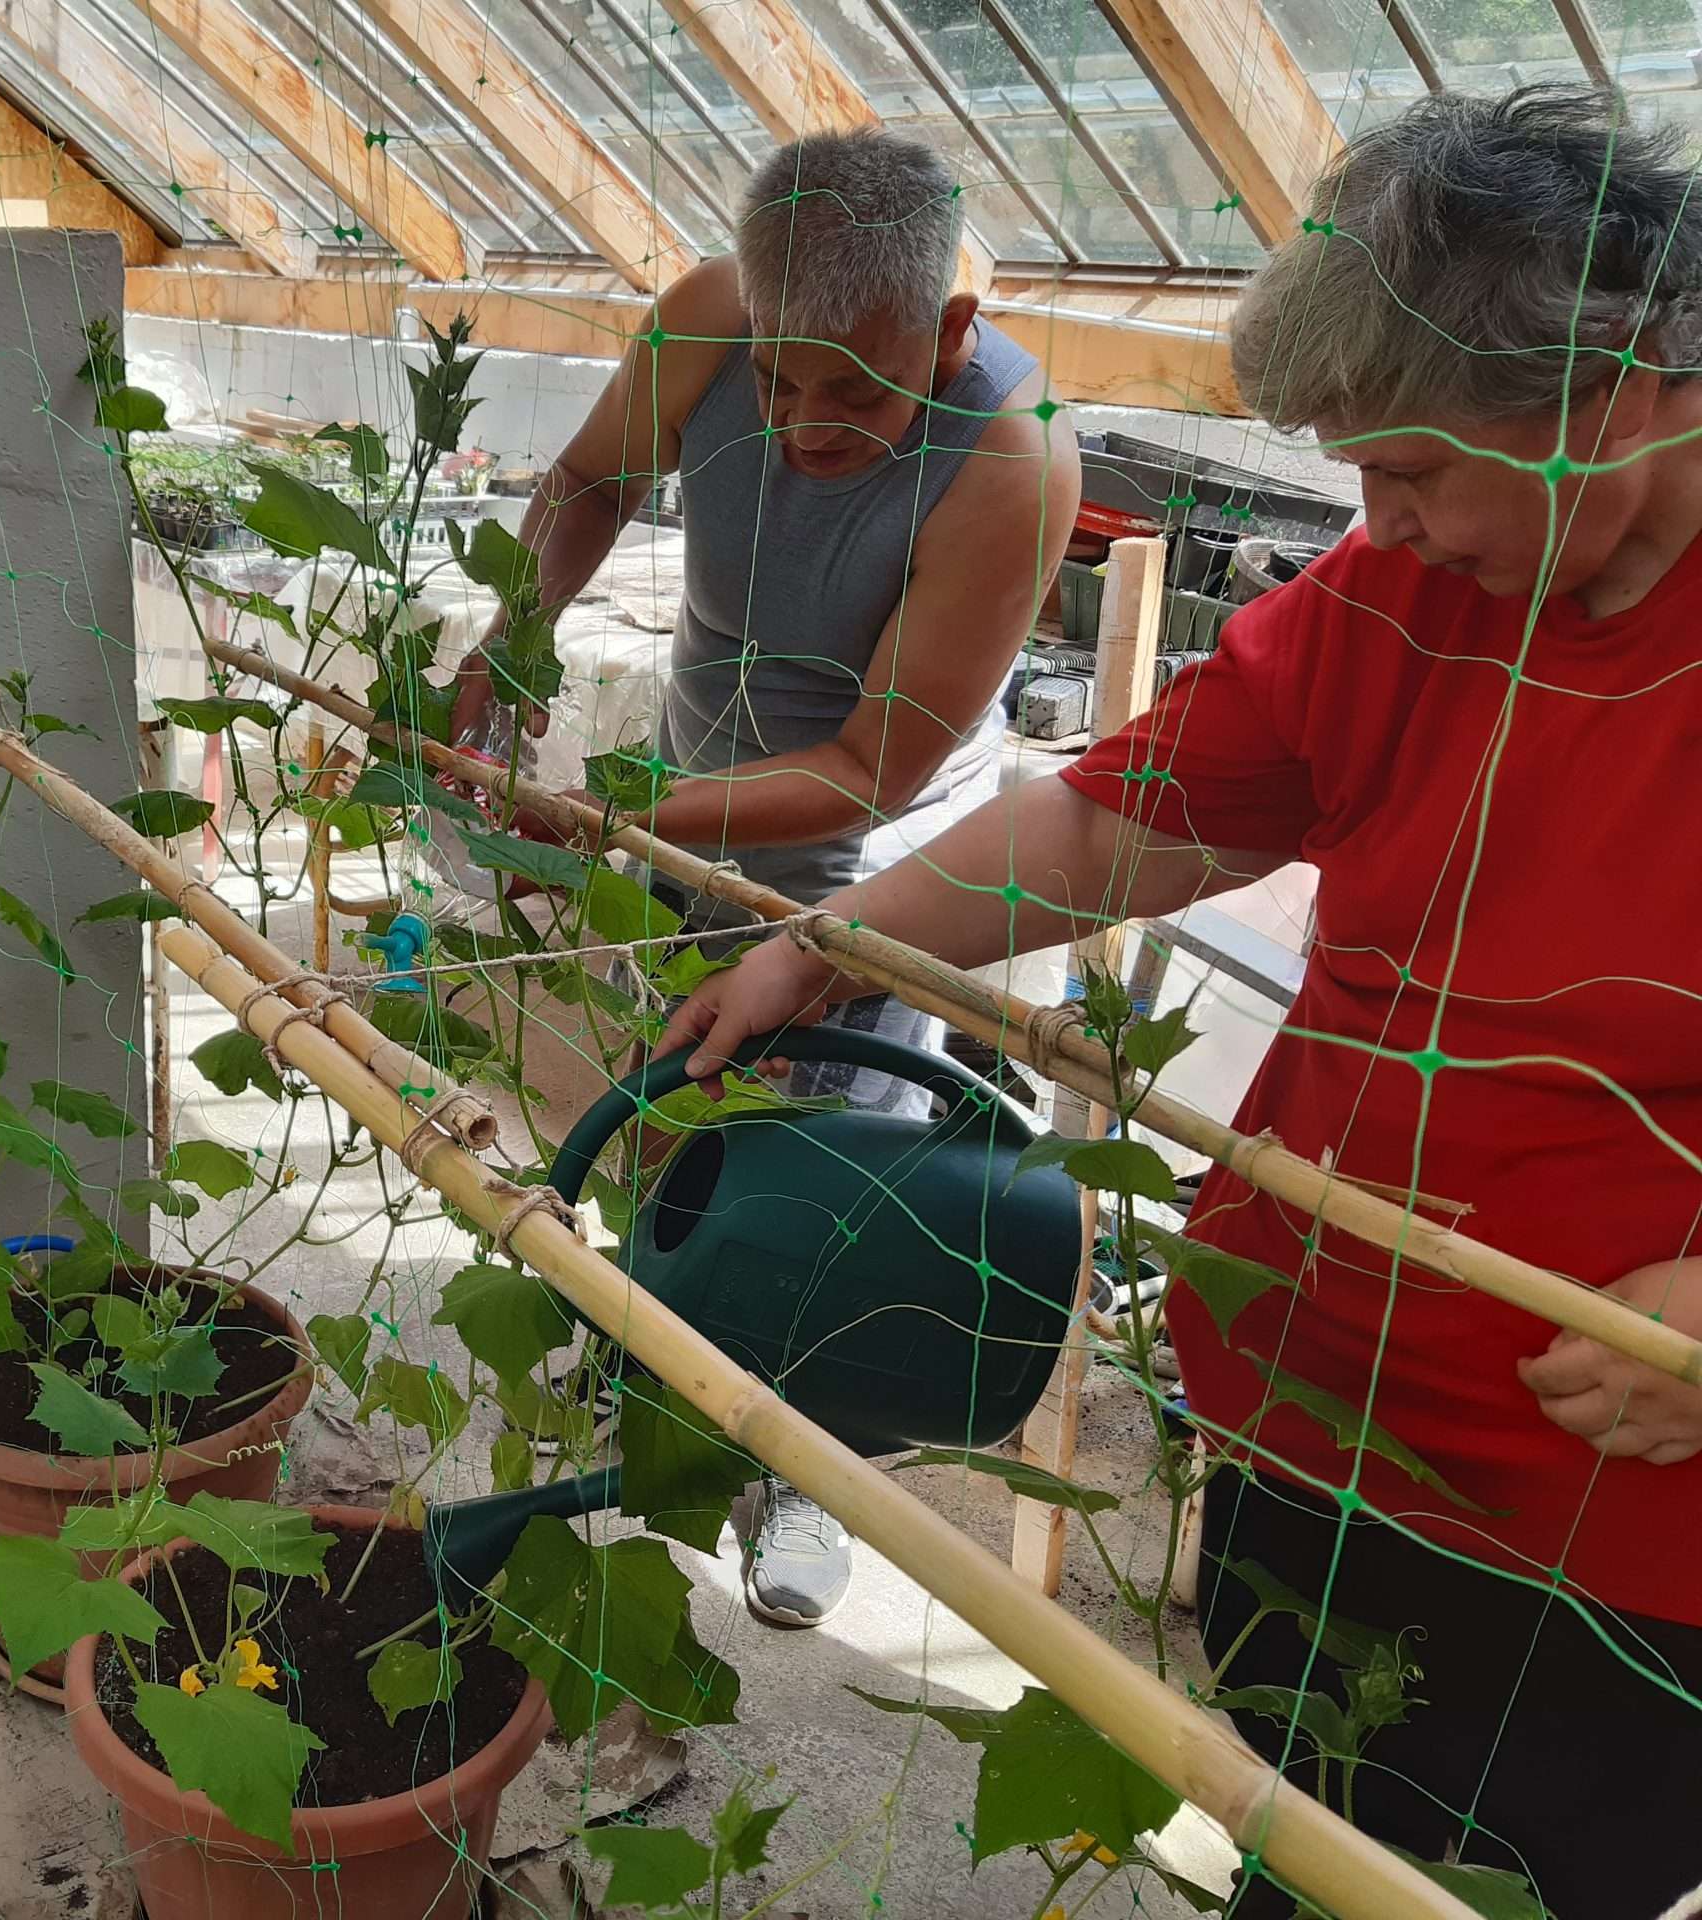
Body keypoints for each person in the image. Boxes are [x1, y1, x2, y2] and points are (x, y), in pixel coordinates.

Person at [660, 87, 1702, 1917]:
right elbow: (1113, 819)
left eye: (1412, 469)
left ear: (1613, 404)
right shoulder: (1397, 598)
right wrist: (830, 945)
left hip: (1609, 1545)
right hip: (1316, 1413)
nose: (1375, 521)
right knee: (1303, 1827)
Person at [454, 127, 1080, 1629]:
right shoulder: (705, 317)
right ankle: (659, 1385)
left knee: (833, 1186)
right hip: (692, 804)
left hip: (874, 868)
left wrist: (614, 819)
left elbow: (875, 767)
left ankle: (809, 1479)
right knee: (683, 1116)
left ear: (949, 330)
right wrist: (509, 643)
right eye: (777, 383)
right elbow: (589, 478)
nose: (800, 426)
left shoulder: (1013, 460)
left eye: (852, 393)